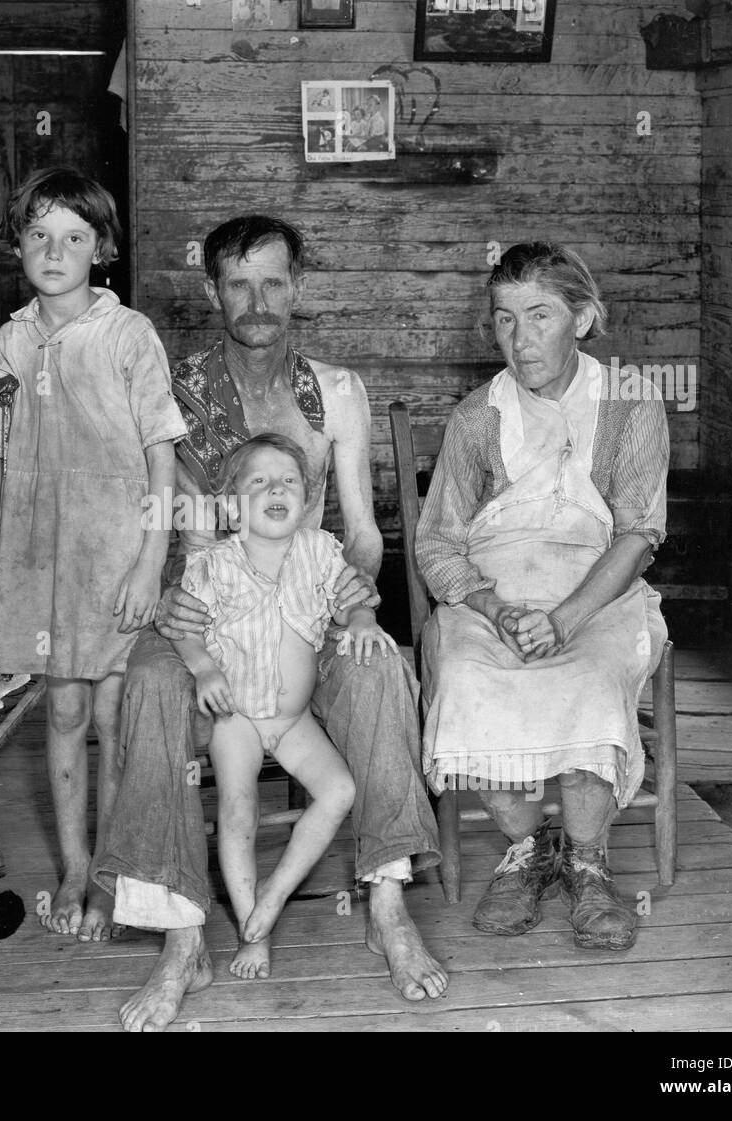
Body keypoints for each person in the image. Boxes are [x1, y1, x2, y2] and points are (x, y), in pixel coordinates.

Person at [95, 215, 447, 1032]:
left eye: (273, 282)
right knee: (147, 682)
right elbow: (153, 515)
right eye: (237, 283)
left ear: (299, 288)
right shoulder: (173, 391)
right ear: (212, 288)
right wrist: (174, 593)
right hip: (205, 599)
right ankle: (182, 934)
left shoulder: (337, 391)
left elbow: (360, 530)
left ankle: (388, 900)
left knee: (380, 666)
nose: (256, 301)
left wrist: (354, 603)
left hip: (308, 599)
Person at [416, 241, 669, 951]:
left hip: (598, 589)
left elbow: (640, 532)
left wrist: (563, 620)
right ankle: (527, 851)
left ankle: (587, 860)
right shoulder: (475, 418)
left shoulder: (632, 405)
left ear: (582, 319)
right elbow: (437, 544)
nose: (520, 340)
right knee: (467, 674)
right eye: (504, 320)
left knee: (590, 675)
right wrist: (495, 610)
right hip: (494, 592)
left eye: (540, 315)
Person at [0, 167, 186, 943]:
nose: (54, 250)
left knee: (112, 710)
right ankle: (73, 861)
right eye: (38, 235)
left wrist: (149, 562)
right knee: (61, 707)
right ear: (19, 247)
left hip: (115, 552)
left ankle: (114, 869)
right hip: (40, 556)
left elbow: (163, 455)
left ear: (100, 247)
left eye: (73, 237)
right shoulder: (9, 340)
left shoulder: (129, 334)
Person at [175, 433, 395, 980]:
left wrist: (363, 622)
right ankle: (255, 930)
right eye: (259, 481)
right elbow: (186, 631)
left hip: (294, 720)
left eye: (289, 481)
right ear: (230, 505)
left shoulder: (320, 550)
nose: (277, 488)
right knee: (238, 809)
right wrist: (203, 667)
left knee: (340, 789)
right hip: (238, 719)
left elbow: (353, 599)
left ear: (305, 497)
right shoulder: (213, 564)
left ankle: (274, 892)